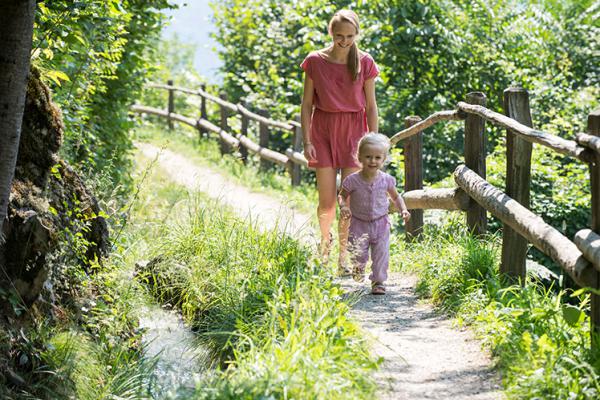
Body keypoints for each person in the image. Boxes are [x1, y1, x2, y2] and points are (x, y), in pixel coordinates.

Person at [300, 9, 379, 274]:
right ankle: (325, 245)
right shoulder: (314, 60)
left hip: (354, 132)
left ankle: (343, 257)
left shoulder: (365, 62)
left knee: (347, 202)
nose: (344, 41)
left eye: (349, 36)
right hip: (322, 129)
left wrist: (373, 141)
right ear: (330, 33)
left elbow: (371, 105)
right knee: (327, 202)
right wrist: (307, 140)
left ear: (357, 34)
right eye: (338, 36)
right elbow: (307, 104)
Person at [338, 133, 410, 295]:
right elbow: (342, 195)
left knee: (381, 255)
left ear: (384, 160)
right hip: (358, 224)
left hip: (381, 223)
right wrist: (343, 206)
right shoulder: (352, 180)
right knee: (358, 253)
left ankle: (378, 281)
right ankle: (358, 267)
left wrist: (403, 209)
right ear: (360, 157)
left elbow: (396, 196)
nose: (373, 161)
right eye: (368, 156)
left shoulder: (387, 180)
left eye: (378, 157)